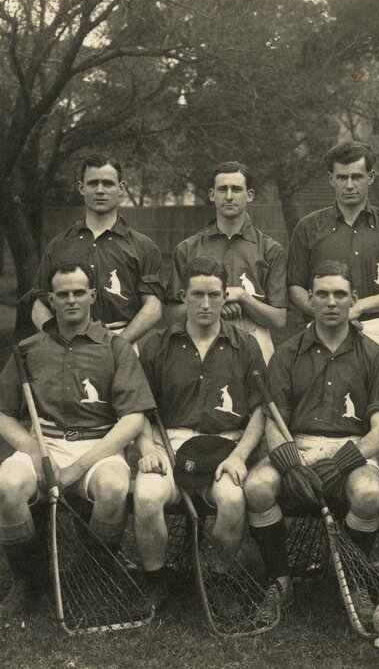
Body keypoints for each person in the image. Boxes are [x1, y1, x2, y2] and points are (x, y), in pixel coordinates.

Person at [0, 263, 155, 619]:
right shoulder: (29, 348)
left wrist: (79, 466)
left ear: (93, 295)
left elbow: (134, 418)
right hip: (45, 442)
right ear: (51, 300)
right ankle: (28, 582)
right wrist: (36, 452)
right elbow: (4, 418)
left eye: (79, 292)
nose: (71, 300)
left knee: (112, 488)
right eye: (62, 294)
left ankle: (92, 578)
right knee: (6, 486)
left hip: (98, 446)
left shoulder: (116, 348)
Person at [243, 260, 379, 609]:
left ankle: (354, 582)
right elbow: (273, 423)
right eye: (322, 294)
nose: (331, 302)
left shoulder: (375, 355)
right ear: (309, 299)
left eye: (340, 294)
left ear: (353, 299)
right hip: (298, 445)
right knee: (257, 486)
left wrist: (342, 463)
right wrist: (292, 465)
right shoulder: (285, 354)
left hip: (352, 448)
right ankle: (280, 582)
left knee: (369, 493)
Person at [133, 256, 267, 607]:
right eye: (196, 295)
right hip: (169, 441)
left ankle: (215, 579)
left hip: (226, 445)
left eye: (213, 294)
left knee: (233, 500)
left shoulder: (246, 346)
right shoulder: (156, 345)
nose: (205, 304)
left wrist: (240, 455)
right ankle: (156, 580)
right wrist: (147, 449)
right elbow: (138, 411)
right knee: (147, 497)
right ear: (183, 296)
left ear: (226, 297)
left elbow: (260, 412)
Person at [286, 141, 379, 356]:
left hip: (374, 328)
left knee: (376, 390)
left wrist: (360, 307)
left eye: (356, 176)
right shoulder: (307, 227)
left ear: (370, 177)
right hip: (321, 329)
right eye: (342, 177)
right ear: (331, 179)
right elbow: (294, 287)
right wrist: (330, 314)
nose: (349, 185)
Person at [29, 154, 165, 344]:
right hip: (69, 343)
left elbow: (153, 307)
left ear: (121, 188)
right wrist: (58, 342)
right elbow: (39, 303)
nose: (100, 190)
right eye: (93, 183)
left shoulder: (144, 246)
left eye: (108, 184)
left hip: (122, 342)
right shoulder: (59, 245)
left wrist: (118, 346)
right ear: (81, 188)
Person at [170, 162, 287, 363]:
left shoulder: (270, 249)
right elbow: (172, 315)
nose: (230, 196)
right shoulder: (187, 249)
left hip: (254, 336)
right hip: (199, 338)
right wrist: (215, 303)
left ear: (249, 195)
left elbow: (279, 319)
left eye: (237, 189)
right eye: (223, 189)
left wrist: (242, 296)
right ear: (212, 194)